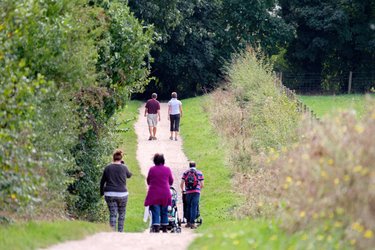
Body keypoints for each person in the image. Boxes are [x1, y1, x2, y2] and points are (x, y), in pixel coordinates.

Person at [100, 149, 132, 232]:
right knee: (121, 213)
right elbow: (129, 175)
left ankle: (112, 233)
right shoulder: (124, 167)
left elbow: (102, 181)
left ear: (113, 158)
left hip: (110, 194)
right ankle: (120, 232)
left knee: (113, 214)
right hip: (122, 194)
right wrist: (124, 165)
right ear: (121, 159)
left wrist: (101, 192)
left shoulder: (108, 168)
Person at [144, 153, 174, 233]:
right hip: (165, 193)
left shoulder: (152, 169)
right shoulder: (167, 169)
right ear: (163, 161)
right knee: (164, 211)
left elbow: (148, 181)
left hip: (154, 193)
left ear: (155, 161)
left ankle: (156, 228)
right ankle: (164, 228)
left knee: (155, 211)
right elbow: (171, 181)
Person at [180, 161, 204, 229]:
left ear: (189, 166)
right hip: (196, 192)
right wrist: (199, 189)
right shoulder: (199, 173)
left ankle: (188, 222)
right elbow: (202, 184)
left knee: (188, 206)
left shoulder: (186, 173)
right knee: (194, 206)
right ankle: (192, 223)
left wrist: (183, 190)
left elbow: (181, 183)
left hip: (188, 192)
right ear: (195, 165)